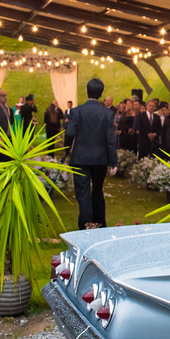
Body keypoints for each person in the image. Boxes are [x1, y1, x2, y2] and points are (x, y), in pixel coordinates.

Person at [66, 78, 117, 230]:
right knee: (97, 190)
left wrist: (65, 151)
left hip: (80, 158)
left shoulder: (76, 111)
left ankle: (86, 225)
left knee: (83, 193)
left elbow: (69, 133)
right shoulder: (107, 114)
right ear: (101, 94)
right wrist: (113, 162)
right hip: (100, 158)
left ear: (86, 91)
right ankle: (100, 224)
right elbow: (111, 140)